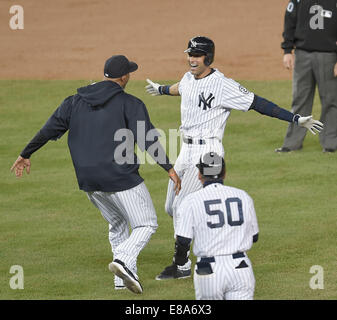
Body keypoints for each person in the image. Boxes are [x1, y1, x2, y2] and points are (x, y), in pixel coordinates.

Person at [145, 36, 323, 280]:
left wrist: (294, 119)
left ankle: (182, 264)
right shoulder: (188, 78)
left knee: (182, 208)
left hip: (208, 152)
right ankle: (207, 228)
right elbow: (181, 88)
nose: (191, 59)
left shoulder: (223, 85)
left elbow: (258, 103)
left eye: (196, 55)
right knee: (170, 207)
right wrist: (162, 89)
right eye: (189, 54)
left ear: (208, 57)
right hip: (185, 150)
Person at [10, 54, 181, 294]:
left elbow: (48, 129)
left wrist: (26, 153)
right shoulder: (130, 103)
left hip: (88, 180)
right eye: (129, 72)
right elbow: (147, 140)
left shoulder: (74, 101)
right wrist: (169, 168)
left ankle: (120, 281)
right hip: (120, 177)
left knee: (118, 222)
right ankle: (123, 261)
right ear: (124, 77)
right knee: (146, 224)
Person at [173, 152, 259, 300]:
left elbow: (183, 241)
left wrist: (179, 263)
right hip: (240, 267)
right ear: (224, 173)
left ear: (200, 175)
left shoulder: (191, 201)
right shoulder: (242, 196)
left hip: (208, 270)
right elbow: (254, 236)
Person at [276, 0, 337, 153]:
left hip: (329, 55)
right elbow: (289, 22)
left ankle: (330, 144)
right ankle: (292, 144)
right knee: (300, 100)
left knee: (331, 100)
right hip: (302, 54)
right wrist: (287, 51)